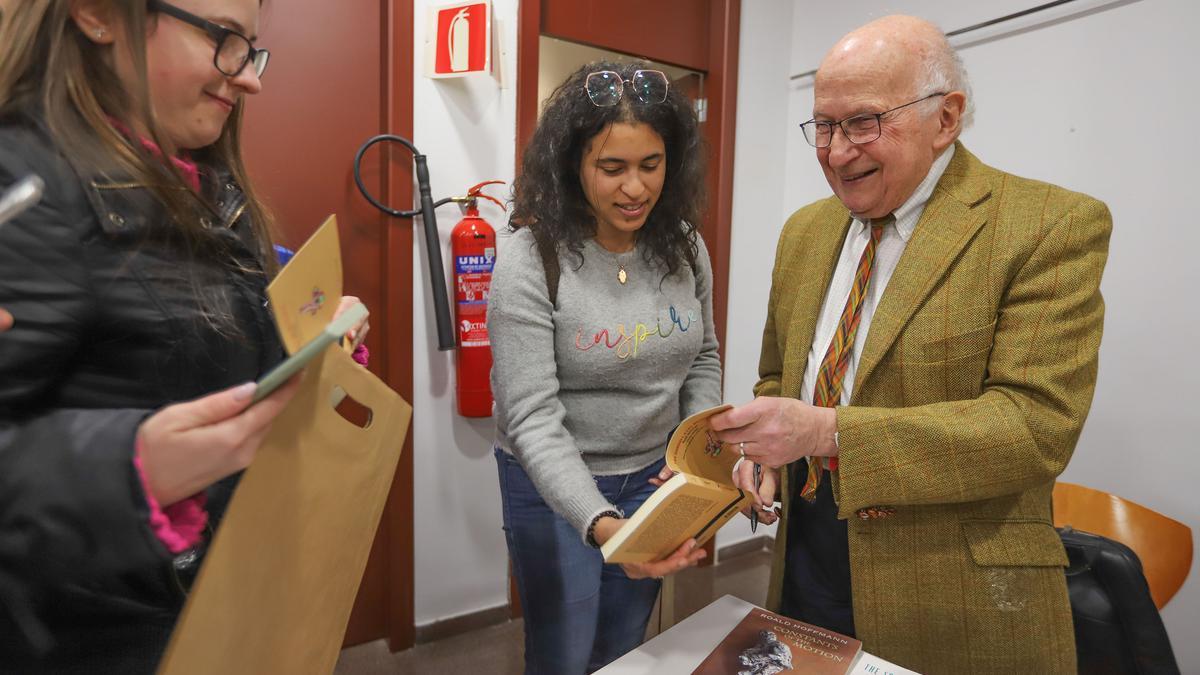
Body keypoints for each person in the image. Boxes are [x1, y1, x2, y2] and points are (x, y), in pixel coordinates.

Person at [711, 15, 1111, 674]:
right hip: (807, 563)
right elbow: (780, 376)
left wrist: (825, 431)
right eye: (825, 126)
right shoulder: (805, 232)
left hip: (953, 597)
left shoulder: (1047, 226)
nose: (837, 152)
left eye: (864, 122)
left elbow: (1033, 427)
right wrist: (769, 451)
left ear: (946, 118)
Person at [0, 1, 367, 671]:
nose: (249, 77)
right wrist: (125, 469)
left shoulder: (202, 182)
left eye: (250, 47)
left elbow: (184, 359)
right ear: (97, 15)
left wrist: (308, 345)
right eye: (224, 39)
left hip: (223, 606)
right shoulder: (25, 190)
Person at [489, 61, 719, 674]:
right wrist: (599, 522)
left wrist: (696, 456)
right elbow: (532, 416)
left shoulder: (684, 246)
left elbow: (702, 357)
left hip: (651, 479)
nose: (635, 189)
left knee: (622, 648)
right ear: (572, 166)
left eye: (650, 164)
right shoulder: (530, 257)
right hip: (552, 486)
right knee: (563, 655)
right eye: (611, 168)